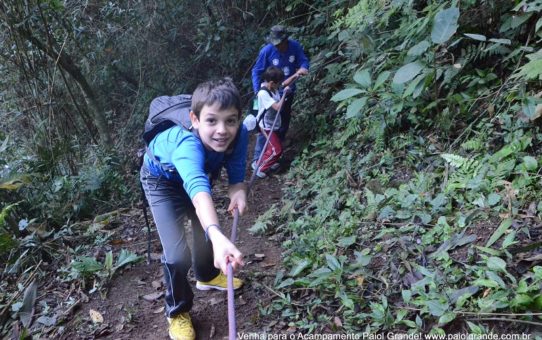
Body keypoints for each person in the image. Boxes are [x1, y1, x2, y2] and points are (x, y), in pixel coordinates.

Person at [140, 78, 247, 340]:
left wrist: (239, 192)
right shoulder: (186, 143)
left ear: (238, 119)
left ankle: (207, 275)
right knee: (177, 255)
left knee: (204, 232)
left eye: (230, 120)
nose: (222, 130)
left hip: (195, 176)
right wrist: (219, 235)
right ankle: (177, 312)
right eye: (212, 120)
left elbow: (236, 180)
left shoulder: (240, 133)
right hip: (162, 183)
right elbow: (199, 193)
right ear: (195, 119)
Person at [251, 25, 310, 166]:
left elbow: (303, 61)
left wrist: (303, 67)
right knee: (263, 124)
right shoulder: (267, 51)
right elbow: (256, 71)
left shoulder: (294, 47)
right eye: (275, 44)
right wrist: (257, 92)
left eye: (280, 44)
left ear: (285, 40)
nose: (277, 47)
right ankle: (257, 158)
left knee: (282, 123)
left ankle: (274, 155)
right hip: (267, 95)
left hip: (286, 92)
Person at [253, 66, 291, 178]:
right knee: (277, 150)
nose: (280, 85)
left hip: (274, 123)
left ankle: (259, 163)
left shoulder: (273, 88)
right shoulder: (263, 93)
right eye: (278, 83)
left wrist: (296, 76)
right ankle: (261, 168)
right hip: (266, 126)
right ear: (271, 83)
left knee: (271, 147)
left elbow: (284, 86)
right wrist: (284, 94)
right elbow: (277, 107)